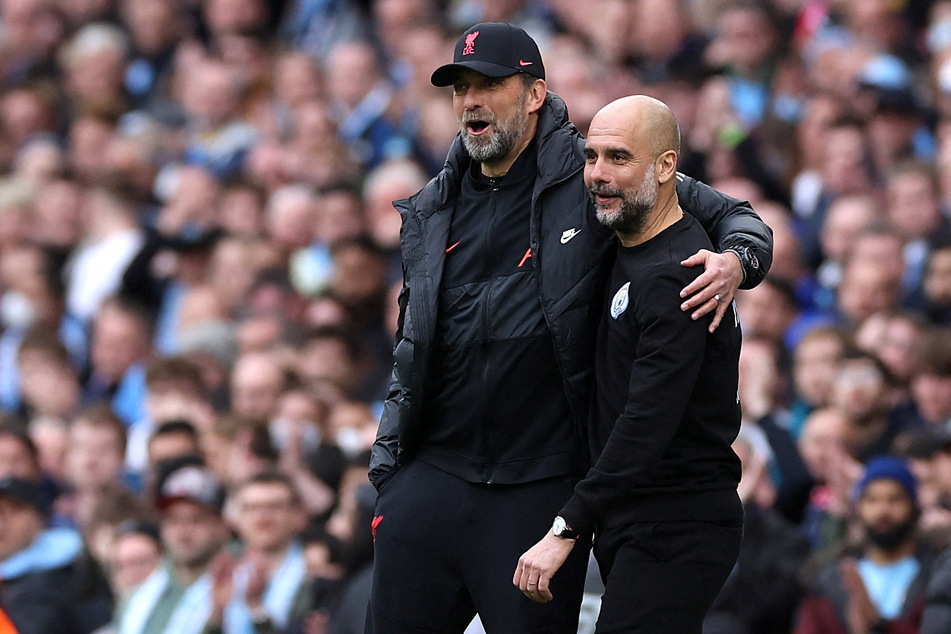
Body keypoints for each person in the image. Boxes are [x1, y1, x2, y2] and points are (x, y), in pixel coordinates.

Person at [367, 22, 772, 633]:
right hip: (433, 475)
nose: (471, 100)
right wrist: (390, 479)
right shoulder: (430, 206)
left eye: (491, 85)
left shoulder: (596, 174)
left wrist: (737, 261)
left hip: (541, 483)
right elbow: (413, 341)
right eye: (461, 88)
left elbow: (736, 216)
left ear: (534, 94)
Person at [513, 95, 744, 632]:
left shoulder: (678, 272)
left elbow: (648, 418)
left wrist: (566, 526)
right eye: (591, 157)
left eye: (618, 157)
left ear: (666, 167)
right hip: (638, 517)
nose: (597, 174)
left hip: (676, 522)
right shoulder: (625, 244)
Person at [794, 456, 934, 634]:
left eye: (894, 499)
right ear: (858, 507)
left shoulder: (935, 574)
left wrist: (879, 623)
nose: (882, 510)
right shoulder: (830, 578)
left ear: (913, 506)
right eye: (872, 500)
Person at [115, 457, 229, 634]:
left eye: (196, 520)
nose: (183, 532)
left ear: (221, 525)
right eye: (173, 521)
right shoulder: (138, 596)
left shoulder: (242, 584)